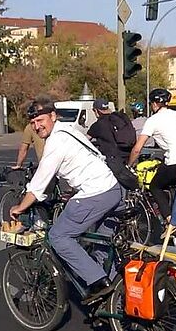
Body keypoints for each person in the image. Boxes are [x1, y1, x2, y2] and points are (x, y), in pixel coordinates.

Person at [9, 96, 122, 303]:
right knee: (101, 244)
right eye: (33, 123)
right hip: (113, 189)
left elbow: (38, 185)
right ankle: (114, 296)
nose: (36, 126)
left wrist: (19, 207)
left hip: (96, 193)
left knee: (58, 236)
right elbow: (88, 156)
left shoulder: (55, 142)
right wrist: (75, 189)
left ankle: (98, 283)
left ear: (53, 116)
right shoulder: (70, 130)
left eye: (40, 120)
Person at [128, 88, 176, 224]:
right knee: (172, 183)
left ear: (155, 104)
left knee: (155, 187)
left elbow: (137, 149)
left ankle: (170, 220)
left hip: (175, 159)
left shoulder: (153, 121)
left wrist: (129, 165)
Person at [87, 98, 136, 163]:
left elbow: (84, 140)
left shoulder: (98, 125)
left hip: (111, 161)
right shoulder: (120, 118)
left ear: (96, 110)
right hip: (127, 157)